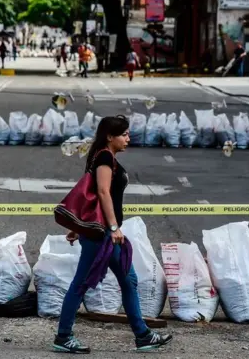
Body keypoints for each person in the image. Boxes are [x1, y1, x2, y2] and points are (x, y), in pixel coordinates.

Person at [53, 116, 172, 354]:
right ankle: (63, 336)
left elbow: (92, 198)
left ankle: (143, 335)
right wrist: (114, 227)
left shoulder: (104, 155)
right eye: (124, 134)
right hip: (103, 236)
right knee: (80, 284)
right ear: (110, 136)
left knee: (130, 280)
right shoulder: (105, 157)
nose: (128, 138)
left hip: (104, 234)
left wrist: (80, 227)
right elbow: (103, 192)